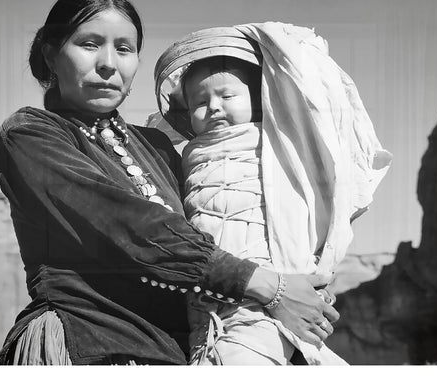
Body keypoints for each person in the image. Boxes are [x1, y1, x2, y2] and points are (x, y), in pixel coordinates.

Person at [0, 0, 339, 365]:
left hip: (179, 354)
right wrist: (269, 286)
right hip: (89, 345)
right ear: (51, 54)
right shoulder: (31, 134)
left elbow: (217, 221)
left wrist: (298, 278)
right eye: (89, 44)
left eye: (124, 49)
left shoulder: (156, 145)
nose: (109, 63)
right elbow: (130, 225)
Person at [153, 24, 392, 365]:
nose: (214, 107)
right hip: (219, 296)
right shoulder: (188, 154)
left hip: (278, 276)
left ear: (259, 98)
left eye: (227, 96)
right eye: (200, 101)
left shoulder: (277, 143)